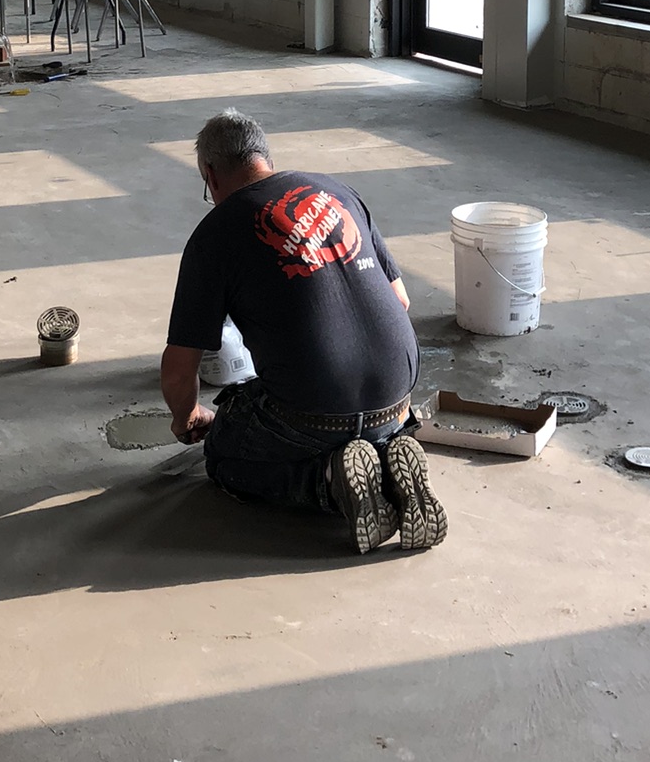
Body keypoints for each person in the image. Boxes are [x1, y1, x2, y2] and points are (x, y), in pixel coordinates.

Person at [160, 109, 448, 554]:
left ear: (211, 177)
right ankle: (388, 465)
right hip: (398, 395)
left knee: (222, 455)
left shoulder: (215, 234)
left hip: (317, 411)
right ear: (264, 159)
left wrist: (187, 418)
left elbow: (180, 372)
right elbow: (402, 302)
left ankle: (330, 481)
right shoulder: (338, 193)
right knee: (281, 393)